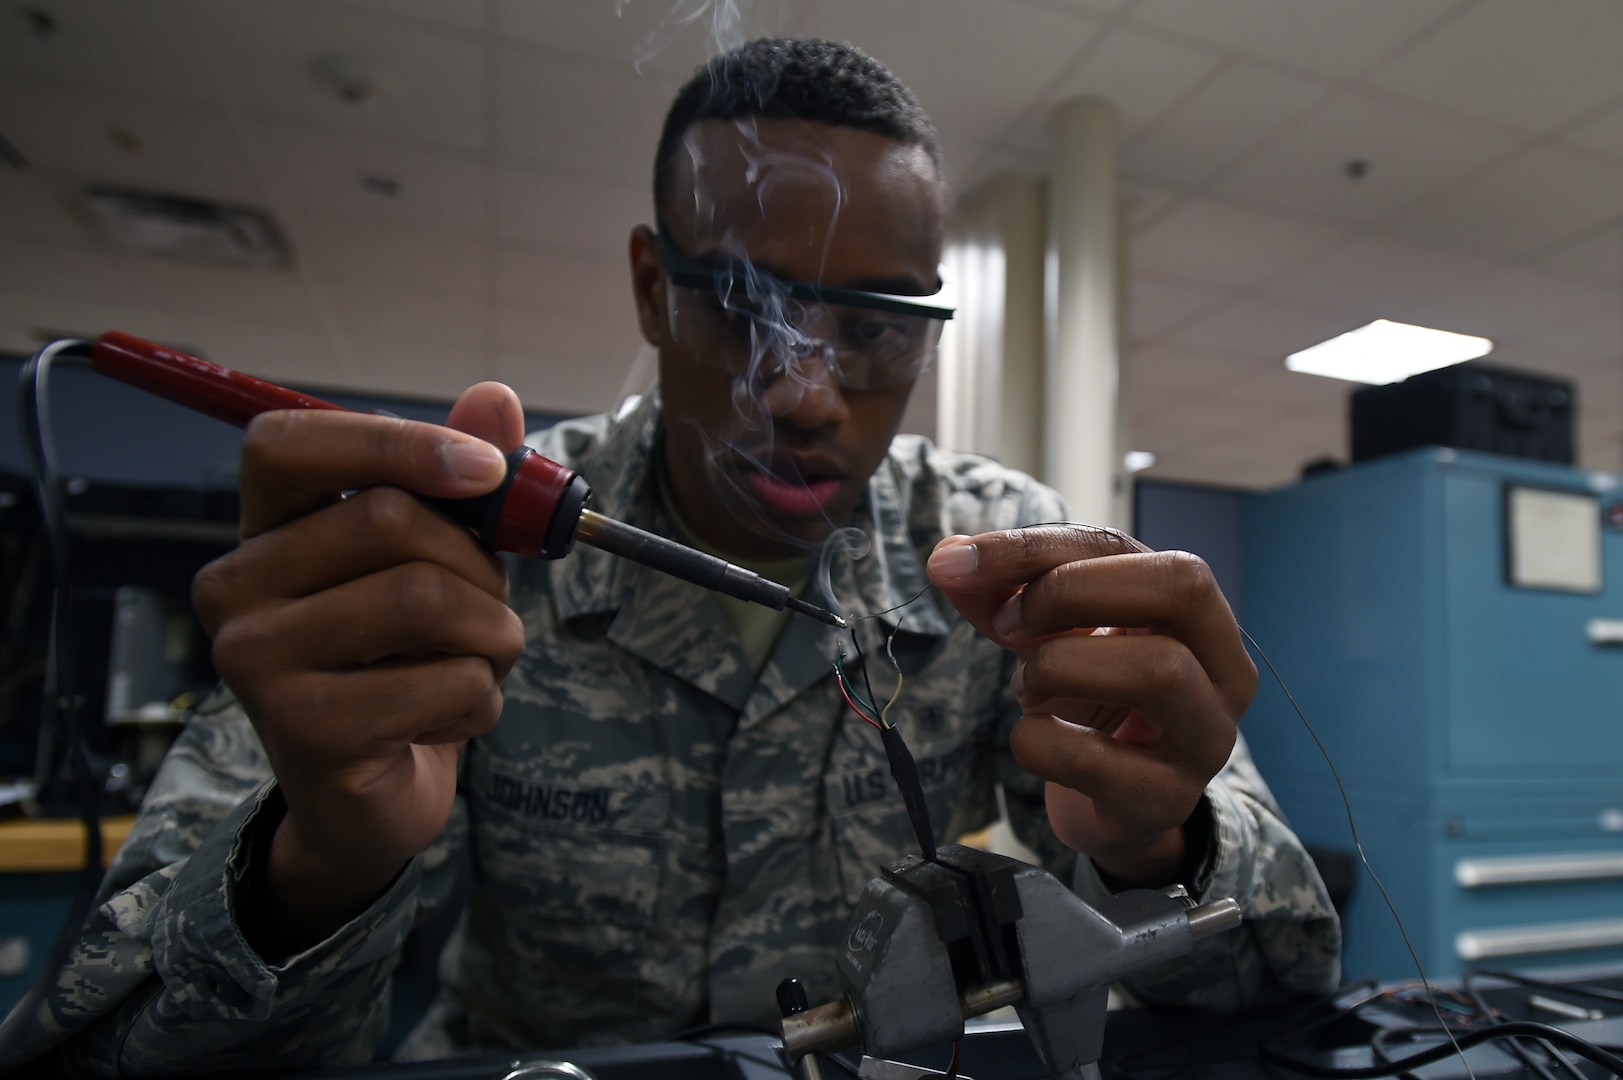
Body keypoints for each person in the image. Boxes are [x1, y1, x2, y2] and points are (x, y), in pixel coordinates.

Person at [4, 37, 1339, 1076]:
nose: (808, 394)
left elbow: (1287, 980)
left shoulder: (993, 559)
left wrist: (1161, 844)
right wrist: (317, 862)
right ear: (654, 287)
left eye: (876, 328)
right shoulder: (462, 548)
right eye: (746, 307)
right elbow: (97, 1046)